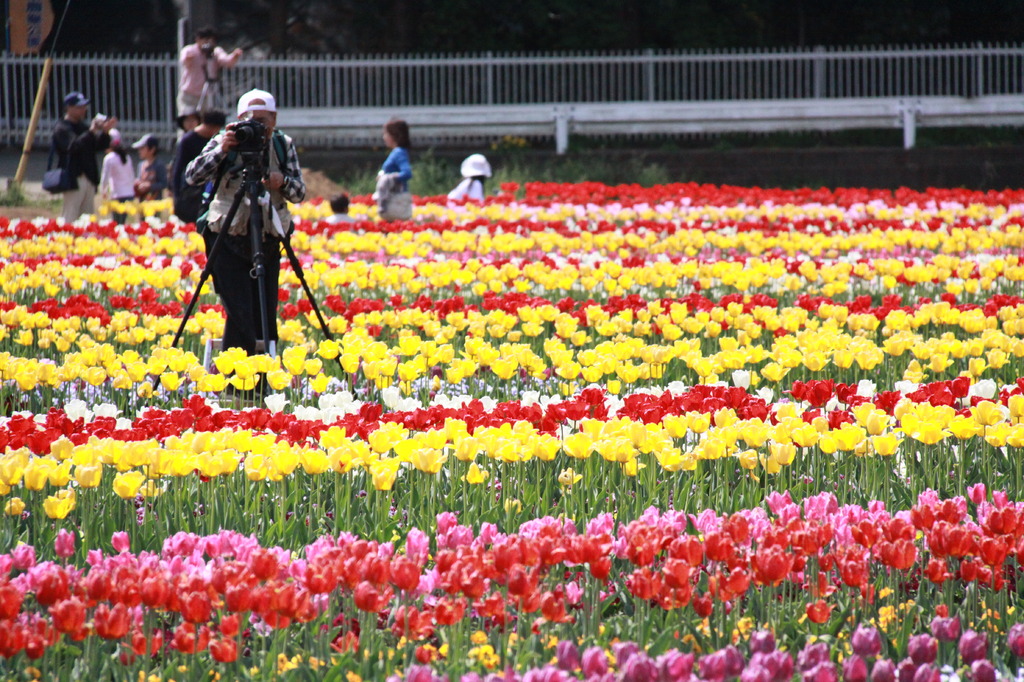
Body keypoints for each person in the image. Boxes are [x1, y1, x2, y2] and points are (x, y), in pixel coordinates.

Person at [184, 89, 305, 368]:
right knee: (240, 311)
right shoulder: (224, 141)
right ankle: (237, 379)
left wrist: (282, 182)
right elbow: (192, 176)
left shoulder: (282, 144)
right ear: (238, 120)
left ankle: (259, 380)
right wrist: (223, 149)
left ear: (274, 119)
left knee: (264, 311)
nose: (256, 128)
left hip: (266, 236)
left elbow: (300, 193)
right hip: (225, 235)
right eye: (250, 120)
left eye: (263, 121)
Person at [51, 91, 117, 222]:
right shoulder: (62, 127)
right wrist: (92, 131)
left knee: (87, 218)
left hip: (89, 177)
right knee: (70, 215)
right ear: (68, 108)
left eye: (84, 106)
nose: (83, 110)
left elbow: (98, 146)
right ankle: (66, 240)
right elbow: (73, 146)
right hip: (73, 177)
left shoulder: (82, 127)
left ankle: (84, 242)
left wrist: (105, 132)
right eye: (79, 107)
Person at [171, 109, 227, 223]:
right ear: (211, 126)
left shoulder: (212, 139)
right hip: (190, 189)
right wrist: (176, 196)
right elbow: (177, 169)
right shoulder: (188, 140)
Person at [177, 26, 242, 117]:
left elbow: (226, 61)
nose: (208, 43)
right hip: (189, 94)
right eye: (206, 40)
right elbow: (184, 61)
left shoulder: (216, 52)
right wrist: (189, 58)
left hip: (207, 95)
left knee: (205, 119)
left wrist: (234, 56)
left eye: (211, 41)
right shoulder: (189, 50)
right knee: (188, 118)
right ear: (198, 39)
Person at [373, 118, 413, 221]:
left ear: (395, 136)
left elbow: (407, 173)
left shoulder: (399, 152)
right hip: (391, 197)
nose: (384, 137)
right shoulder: (397, 152)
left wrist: (387, 178)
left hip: (395, 199)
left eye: (386, 134)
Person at [99, 129, 135, 223]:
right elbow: (131, 175)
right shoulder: (127, 156)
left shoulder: (109, 158)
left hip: (117, 195)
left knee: (117, 223)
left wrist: (103, 190)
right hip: (129, 193)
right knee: (123, 222)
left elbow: (105, 177)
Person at [132, 134, 168, 201]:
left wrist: (150, 186)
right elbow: (139, 179)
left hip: (155, 204)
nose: (139, 151)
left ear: (152, 149)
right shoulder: (141, 165)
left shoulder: (159, 165)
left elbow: (164, 184)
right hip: (142, 202)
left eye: (142, 148)